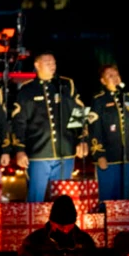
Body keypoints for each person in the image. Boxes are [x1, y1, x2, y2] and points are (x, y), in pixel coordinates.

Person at [11, 53, 88, 202]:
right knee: (36, 197)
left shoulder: (66, 85)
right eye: (47, 62)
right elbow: (19, 123)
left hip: (65, 151)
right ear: (37, 65)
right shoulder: (27, 90)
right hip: (38, 152)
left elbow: (79, 113)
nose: (52, 65)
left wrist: (82, 139)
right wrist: (19, 150)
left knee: (62, 198)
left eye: (54, 62)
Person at [87, 64, 129, 201]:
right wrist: (99, 154)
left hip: (126, 157)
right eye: (110, 76)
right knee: (107, 197)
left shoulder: (128, 98)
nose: (114, 78)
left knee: (124, 196)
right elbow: (94, 129)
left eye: (116, 75)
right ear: (103, 81)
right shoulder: (99, 100)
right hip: (108, 158)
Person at [16, 195, 97, 256]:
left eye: (69, 226)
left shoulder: (86, 242)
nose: (65, 231)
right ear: (52, 222)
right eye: (61, 227)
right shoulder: (34, 242)